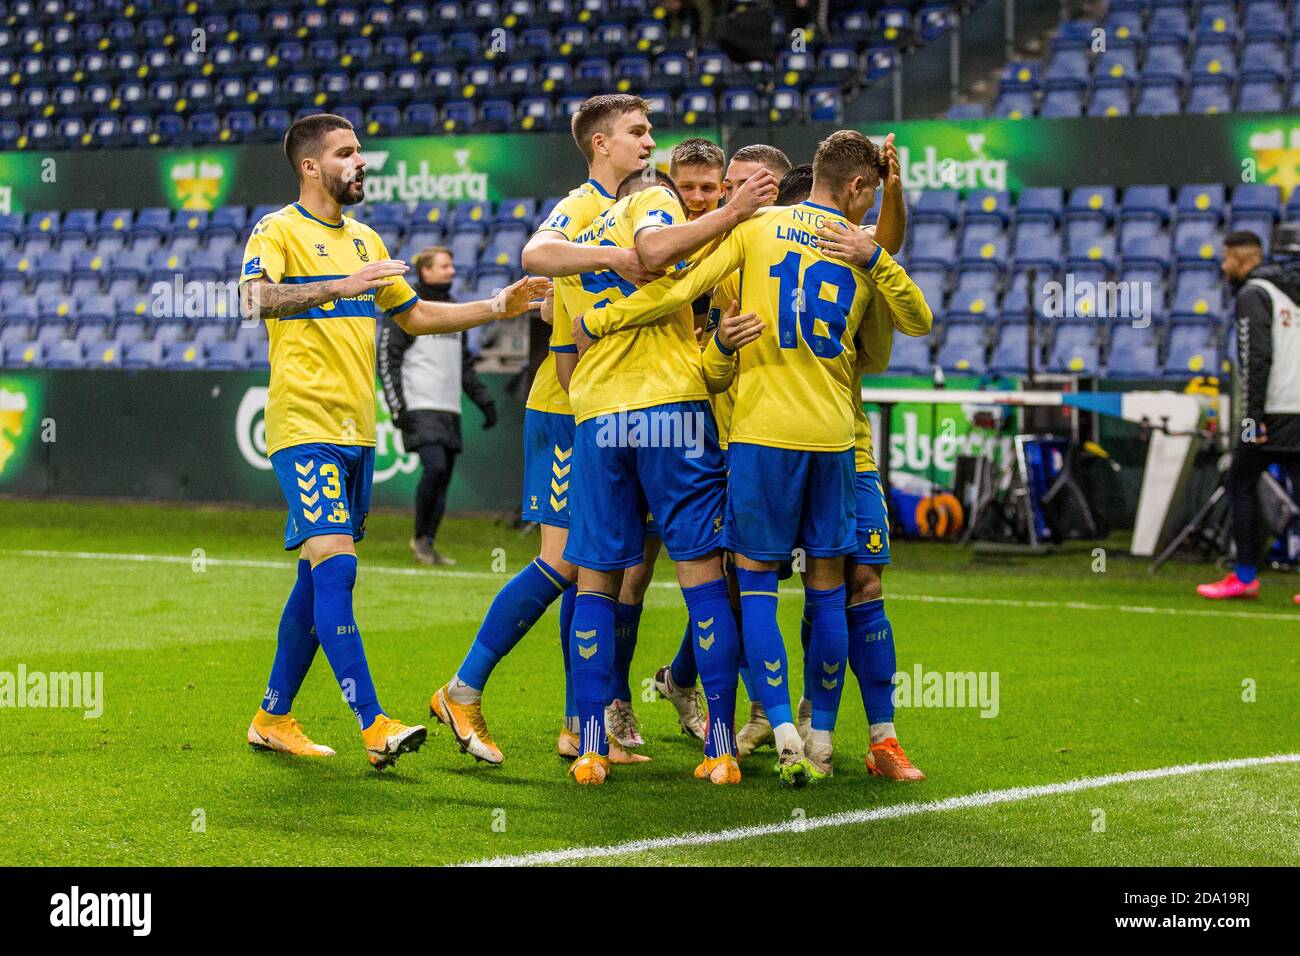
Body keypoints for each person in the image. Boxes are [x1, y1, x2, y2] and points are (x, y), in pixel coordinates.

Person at [580, 130, 928, 782]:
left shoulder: (757, 231)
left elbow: (677, 291)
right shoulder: (854, 249)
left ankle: (801, 727)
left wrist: (604, 320)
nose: (725, 196)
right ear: (857, 189)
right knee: (797, 586)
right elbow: (915, 322)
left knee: (771, 583)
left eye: (736, 186)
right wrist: (874, 256)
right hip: (820, 439)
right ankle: (800, 732)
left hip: (767, 438)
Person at [238, 112, 548, 769]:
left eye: (361, 152)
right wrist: (336, 288)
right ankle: (373, 721)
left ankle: (273, 715)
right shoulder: (278, 229)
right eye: (346, 153)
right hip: (303, 424)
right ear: (310, 166)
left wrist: (498, 305)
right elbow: (250, 300)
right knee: (339, 566)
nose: (360, 163)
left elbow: (416, 314)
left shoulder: (368, 240)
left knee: (313, 579)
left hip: (357, 430)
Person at [426, 94, 657, 766]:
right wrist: (611, 260)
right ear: (599, 144)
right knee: (564, 561)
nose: (648, 142)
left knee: (594, 569)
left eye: (650, 132)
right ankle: (462, 689)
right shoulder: (584, 205)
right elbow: (539, 251)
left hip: (605, 407)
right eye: (636, 133)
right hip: (564, 404)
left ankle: (577, 722)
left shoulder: (633, 207)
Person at [554, 160, 778, 786]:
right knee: (704, 577)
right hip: (670, 413)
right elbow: (674, 281)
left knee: (597, 580)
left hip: (598, 415)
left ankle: (592, 744)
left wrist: (599, 322)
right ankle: (722, 748)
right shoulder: (657, 211)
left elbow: (572, 331)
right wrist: (734, 219)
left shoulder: (578, 249)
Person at [1198, 225, 1300, 602]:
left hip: (1269, 412)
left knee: (1238, 480)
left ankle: (1244, 575)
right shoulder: (1289, 292)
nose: (1223, 267)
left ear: (1243, 259)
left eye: (1226, 259)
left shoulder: (1253, 294)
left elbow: (1253, 358)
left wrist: (1250, 419)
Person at [379, 245, 498, 567]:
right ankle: (420, 538)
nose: (451, 271)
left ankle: (427, 542)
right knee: (436, 468)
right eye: (444, 266)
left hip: (449, 407)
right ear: (425, 271)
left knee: (443, 477)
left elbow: (464, 366)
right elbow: (387, 358)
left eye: (451, 265)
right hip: (420, 405)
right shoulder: (406, 308)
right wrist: (397, 407)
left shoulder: (455, 311)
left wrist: (484, 401)